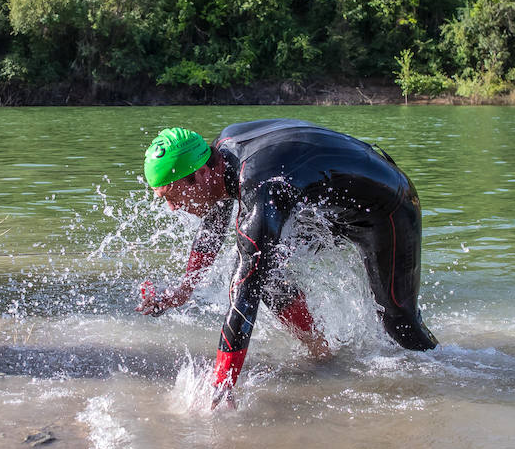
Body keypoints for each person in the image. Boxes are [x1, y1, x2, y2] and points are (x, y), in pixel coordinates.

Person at [137, 120, 437, 409]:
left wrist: (221, 383)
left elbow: (245, 293)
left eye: (172, 195)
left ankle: (443, 370)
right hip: (331, 203)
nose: (172, 208)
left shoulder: (260, 183)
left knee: (400, 325)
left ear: (201, 174)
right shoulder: (217, 158)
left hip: (388, 206)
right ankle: (323, 353)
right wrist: (183, 291)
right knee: (263, 268)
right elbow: (213, 228)